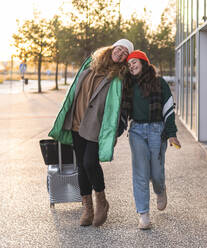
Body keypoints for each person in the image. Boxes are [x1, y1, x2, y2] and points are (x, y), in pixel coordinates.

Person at [48, 39, 134, 227]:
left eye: (124, 54)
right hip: (77, 122)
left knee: (90, 162)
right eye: (118, 49)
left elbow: (124, 105)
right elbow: (73, 92)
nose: (119, 54)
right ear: (111, 48)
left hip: (97, 126)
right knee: (81, 165)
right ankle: (88, 207)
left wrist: (118, 129)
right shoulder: (90, 65)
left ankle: (101, 201)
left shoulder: (120, 77)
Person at [122, 50, 181, 229]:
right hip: (137, 131)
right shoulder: (127, 85)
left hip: (157, 130)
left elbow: (168, 109)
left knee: (156, 173)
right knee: (140, 173)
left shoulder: (159, 82)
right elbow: (120, 110)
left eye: (134, 62)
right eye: (129, 63)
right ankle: (143, 215)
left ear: (144, 62)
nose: (131, 65)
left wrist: (171, 134)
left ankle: (160, 189)